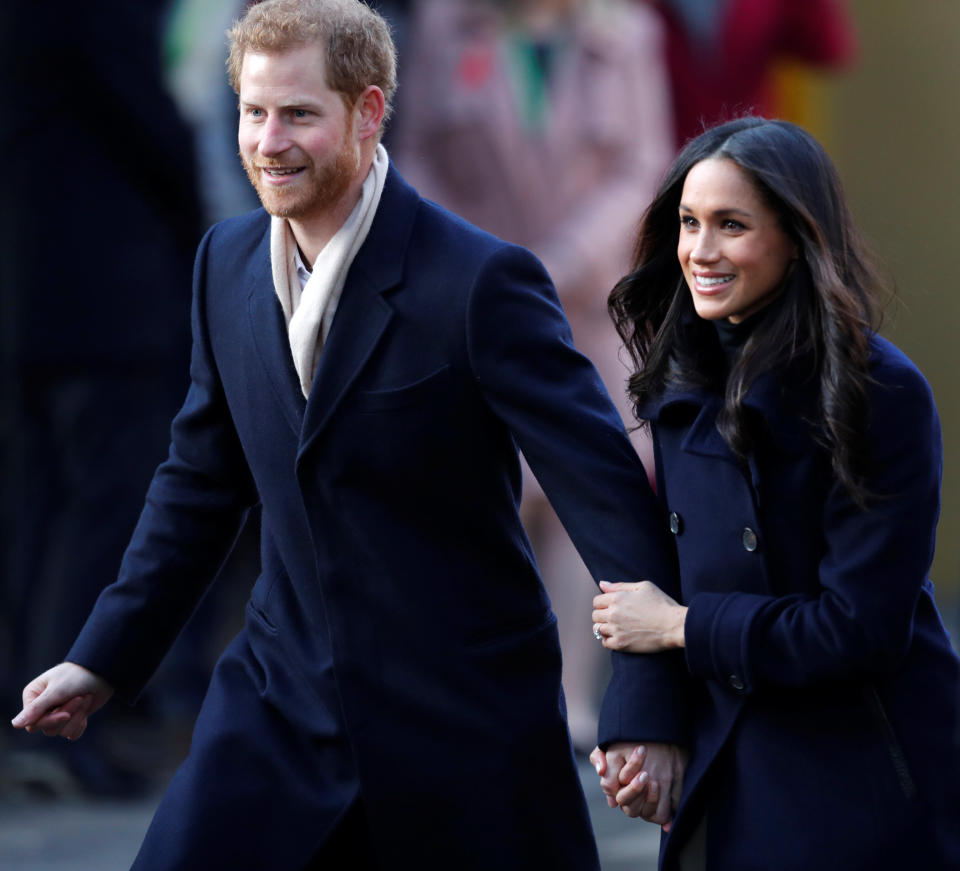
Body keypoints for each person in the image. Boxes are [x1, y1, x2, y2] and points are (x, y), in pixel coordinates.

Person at [10, 1, 681, 867]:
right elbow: (198, 485)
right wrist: (102, 658)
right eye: (254, 112)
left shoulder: (482, 284)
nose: (268, 140)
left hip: (460, 727)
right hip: (277, 712)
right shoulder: (226, 264)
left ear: (368, 113)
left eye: (298, 114)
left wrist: (649, 710)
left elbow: (609, 498)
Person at [589, 116, 960, 869]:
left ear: (798, 236)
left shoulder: (880, 392)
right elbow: (647, 581)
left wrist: (684, 628)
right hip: (721, 767)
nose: (699, 251)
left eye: (732, 225)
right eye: (690, 223)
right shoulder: (681, 373)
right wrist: (641, 724)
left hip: (854, 775)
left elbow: (857, 629)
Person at [393, 0, 675, 749]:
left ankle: (569, 694)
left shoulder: (629, 32)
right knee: (487, 484)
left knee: (591, 482)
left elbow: (642, 168)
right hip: (471, 301)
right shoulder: (445, 23)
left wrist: (559, 265)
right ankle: (478, 681)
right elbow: (414, 155)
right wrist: (480, 268)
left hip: (590, 300)